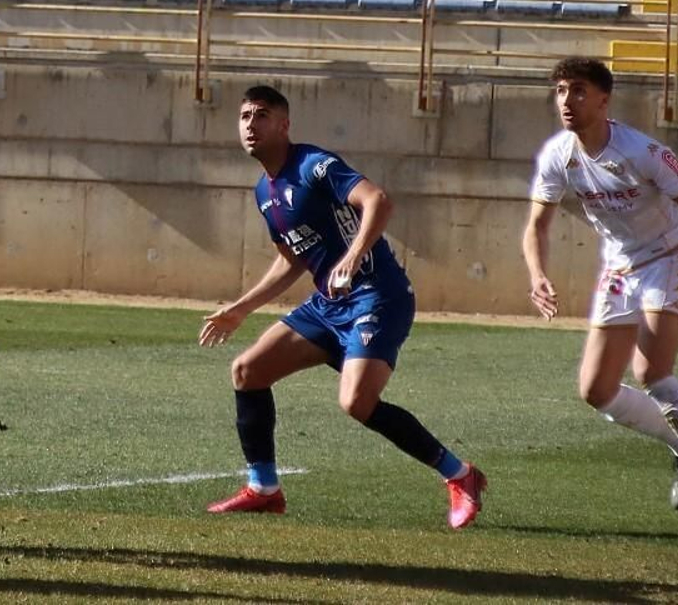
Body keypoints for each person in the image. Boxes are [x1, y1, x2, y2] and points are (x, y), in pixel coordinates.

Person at [199, 85, 487, 528]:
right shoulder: (265, 192)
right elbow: (292, 258)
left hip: (378, 295)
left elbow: (378, 201)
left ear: (284, 124)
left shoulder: (314, 165)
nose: (250, 125)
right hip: (327, 305)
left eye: (261, 115)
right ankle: (264, 489)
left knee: (356, 402)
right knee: (247, 371)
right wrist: (241, 308)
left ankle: (461, 476)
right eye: (244, 117)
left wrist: (352, 257)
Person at [522, 57, 678, 530]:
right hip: (620, 267)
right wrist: (537, 274)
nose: (568, 101)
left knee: (652, 372)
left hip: (670, 257)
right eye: (562, 91)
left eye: (580, 91)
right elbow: (536, 225)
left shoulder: (642, 151)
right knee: (597, 391)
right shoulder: (557, 155)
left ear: (604, 100)